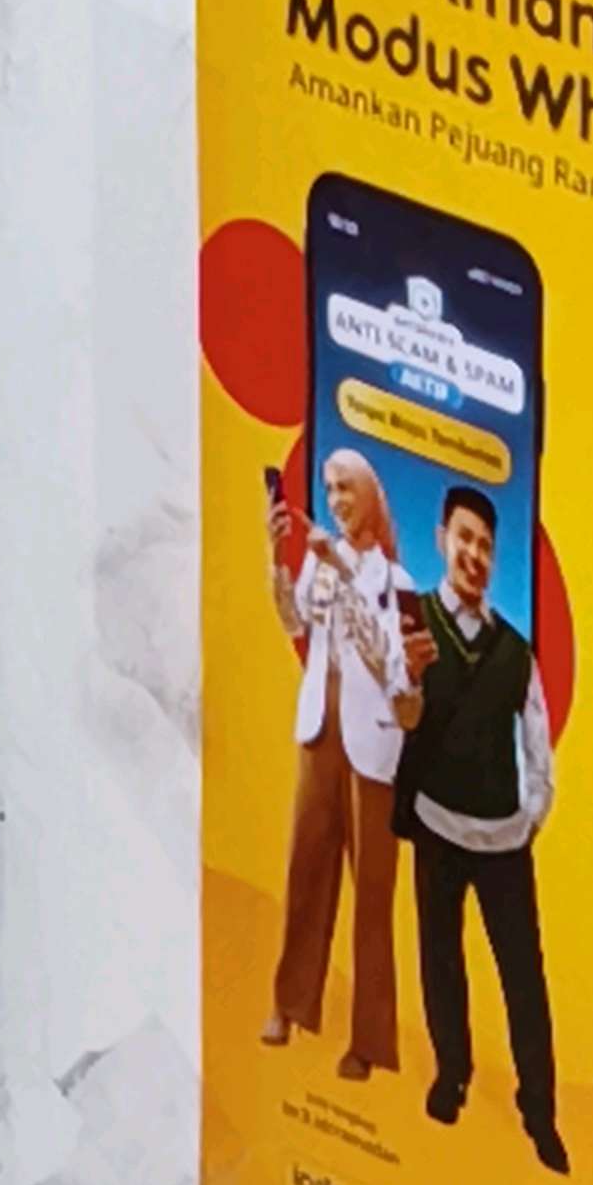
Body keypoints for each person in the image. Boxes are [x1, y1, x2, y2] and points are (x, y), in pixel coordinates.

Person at [396, 483, 567, 1172]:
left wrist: (531, 816)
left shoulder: (516, 651)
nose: (475, 554)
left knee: (523, 976)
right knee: (440, 959)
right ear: (442, 540)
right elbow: (391, 716)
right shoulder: (412, 627)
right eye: (464, 538)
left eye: (487, 546)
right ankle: (452, 1074)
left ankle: (540, 1111)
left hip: (502, 838)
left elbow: (538, 743)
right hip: (436, 823)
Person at [263, 450, 419, 1082]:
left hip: (374, 742)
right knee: (305, 869)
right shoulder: (319, 561)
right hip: (320, 726)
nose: (335, 500)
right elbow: (293, 621)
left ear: (370, 496)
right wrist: (277, 557)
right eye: (328, 489)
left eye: (346, 488)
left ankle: (369, 1043)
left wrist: (342, 573)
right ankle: (289, 1004)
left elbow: (393, 666)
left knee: (371, 893)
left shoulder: (396, 581)